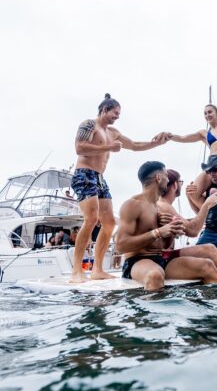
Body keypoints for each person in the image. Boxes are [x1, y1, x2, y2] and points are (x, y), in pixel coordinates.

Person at [70, 94, 168, 283]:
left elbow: (135, 146)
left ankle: (97, 269)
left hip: (100, 178)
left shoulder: (113, 132)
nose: (117, 116)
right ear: (104, 109)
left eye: (119, 114)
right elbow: (79, 148)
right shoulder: (89, 125)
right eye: (115, 113)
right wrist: (108, 147)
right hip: (84, 174)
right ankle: (76, 271)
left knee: (108, 223)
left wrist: (156, 143)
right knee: (90, 219)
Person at [115, 161, 217, 291]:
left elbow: (162, 245)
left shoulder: (157, 207)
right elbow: (120, 246)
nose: (168, 179)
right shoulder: (132, 204)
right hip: (137, 262)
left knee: (207, 265)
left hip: (161, 259)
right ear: (158, 178)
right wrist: (158, 232)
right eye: (166, 175)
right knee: (154, 276)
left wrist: (171, 233)